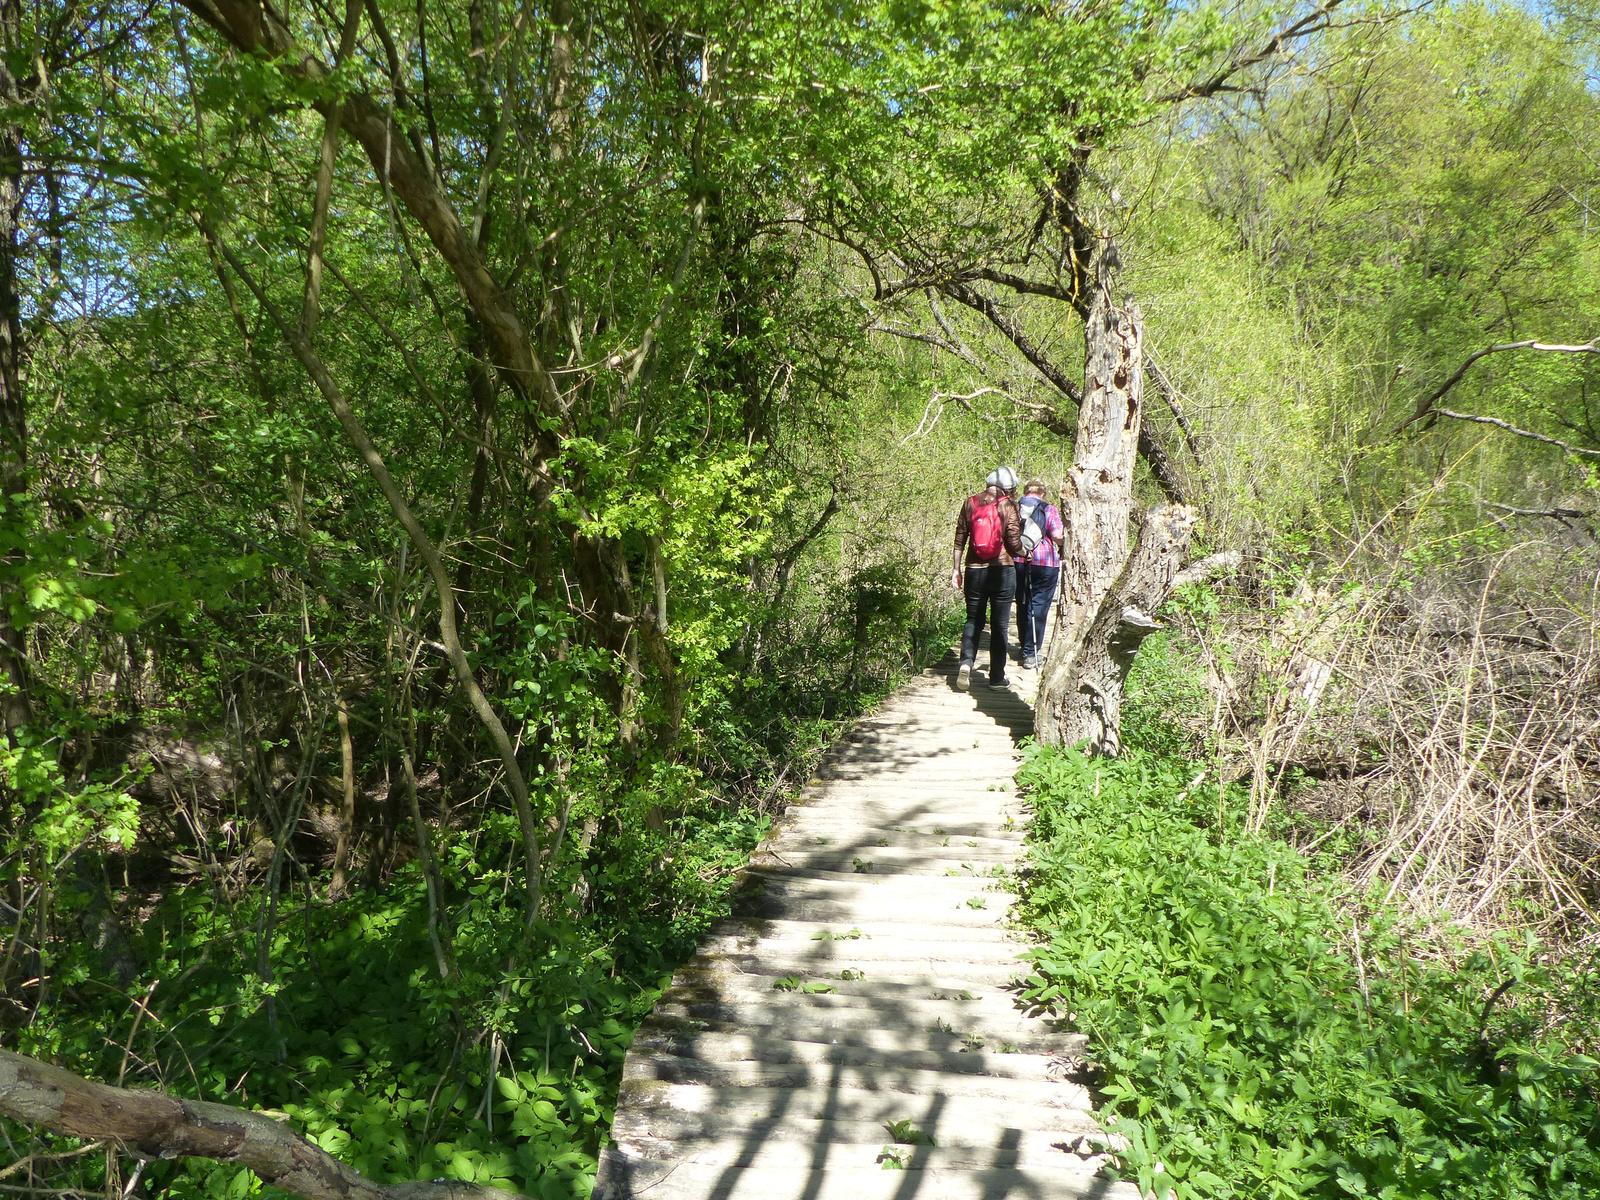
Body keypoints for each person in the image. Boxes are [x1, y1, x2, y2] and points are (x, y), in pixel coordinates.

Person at [951, 466, 1024, 691]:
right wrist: (1024, 552)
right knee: (1000, 625)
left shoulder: (970, 502)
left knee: (974, 619)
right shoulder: (1008, 505)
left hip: (974, 569)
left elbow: (960, 537)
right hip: (1002, 570)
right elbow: (1012, 540)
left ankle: (965, 664)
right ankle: (996, 678)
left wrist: (956, 569)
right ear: (1008, 488)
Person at [1014, 480, 1065, 670]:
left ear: (1026, 491)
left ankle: (1024, 646)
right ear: (1043, 493)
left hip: (1019, 561)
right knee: (1039, 606)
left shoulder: (1014, 507)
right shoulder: (1048, 509)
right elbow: (1058, 535)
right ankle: (1030, 653)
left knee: (1023, 602)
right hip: (1045, 563)